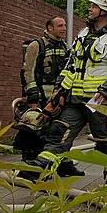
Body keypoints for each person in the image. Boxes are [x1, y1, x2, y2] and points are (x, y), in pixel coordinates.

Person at [32, 0, 107, 184]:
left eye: (94, 6)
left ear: (104, 10)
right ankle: (35, 171)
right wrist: (59, 89)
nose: (90, 9)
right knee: (58, 134)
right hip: (75, 99)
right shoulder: (83, 33)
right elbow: (73, 63)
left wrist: (106, 89)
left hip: (101, 102)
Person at [13, 17, 69, 166]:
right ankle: (29, 163)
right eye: (60, 25)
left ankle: (60, 164)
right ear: (49, 28)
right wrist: (32, 97)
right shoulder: (36, 45)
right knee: (33, 130)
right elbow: (28, 70)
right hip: (39, 98)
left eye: (65, 25)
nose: (64, 28)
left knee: (57, 131)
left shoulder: (65, 47)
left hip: (57, 98)